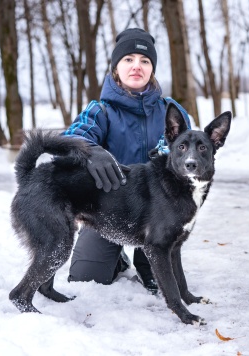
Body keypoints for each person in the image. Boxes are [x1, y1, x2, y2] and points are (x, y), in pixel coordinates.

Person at [63, 28, 191, 294]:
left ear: (152, 69)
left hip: (158, 216)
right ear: (116, 68)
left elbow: (191, 156)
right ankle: (116, 258)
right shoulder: (99, 110)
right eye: (128, 59)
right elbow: (68, 142)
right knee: (88, 281)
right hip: (105, 212)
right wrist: (90, 151)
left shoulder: (172, 111)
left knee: (160, 285)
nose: (137, 66)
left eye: (145, 61)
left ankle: (147, 262)